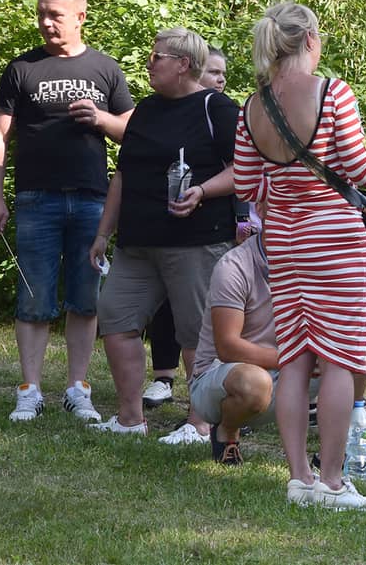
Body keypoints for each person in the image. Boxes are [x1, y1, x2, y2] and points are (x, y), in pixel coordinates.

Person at [234, 0, 366, 510]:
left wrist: (283, 193)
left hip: (283, 242)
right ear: (310, 38)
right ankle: (332, 483)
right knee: (339, 359)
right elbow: (360, 170)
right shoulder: (332, 92)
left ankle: (299, 480)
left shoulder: (252, 106)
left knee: (294, 357)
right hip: (334, 239)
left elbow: (247, 184)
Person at [0, 0, 135, 423]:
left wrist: (101, 118)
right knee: (33, 298)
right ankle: (29, 391)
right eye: (41, 14)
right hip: (36, 198)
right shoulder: (22, 68)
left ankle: (77, 389)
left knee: (86, 299)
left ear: (81, 17)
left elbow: (132, 133)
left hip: (92, 200)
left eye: (55, 15)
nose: (46, 23)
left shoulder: (105, 68)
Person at [88, 28, 239, 436]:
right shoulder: (146, 110)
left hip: (196, 242)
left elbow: (243, 170)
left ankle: (199, 424)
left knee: (196, 334)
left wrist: (202, 191)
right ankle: (129, 419)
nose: (149, 62)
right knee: (115, 318)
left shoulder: (217, 108)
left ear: (183, 64)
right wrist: (103, 233)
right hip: (137, 242)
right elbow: (123, 175)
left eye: (157, 56)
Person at [189, 203, 366, 465]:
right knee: (255, 382)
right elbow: (228, 347)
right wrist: (294, 359)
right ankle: (227, 431)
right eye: (285, 204)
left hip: (290, 369)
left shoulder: (319, 264)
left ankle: (334, 452)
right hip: (226, 375)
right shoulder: (234, 266)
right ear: (261, 210)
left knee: (360, 352)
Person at [142, 46, 241, 413]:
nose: (220, 79)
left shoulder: (223, 111)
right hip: (161, 231)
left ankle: (216, 403)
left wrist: (244, 219)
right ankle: (163, 377)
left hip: (214, 230)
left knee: (207, 314)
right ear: (194, 72)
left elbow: (244, 170)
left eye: (224, 74)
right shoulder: (163, 109)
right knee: (167, 306)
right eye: (214, 72)